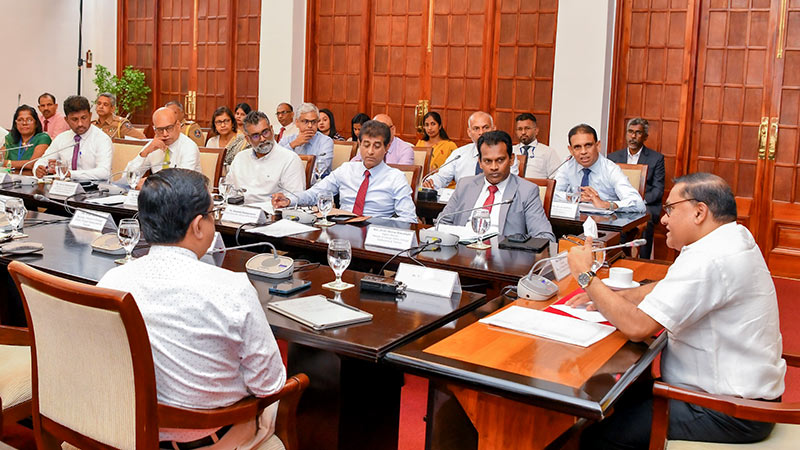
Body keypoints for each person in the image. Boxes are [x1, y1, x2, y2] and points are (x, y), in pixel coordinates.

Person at [566, 173, 785, 448]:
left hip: (728, 410)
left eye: (671, 209)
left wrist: (586, 276)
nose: (664, 219)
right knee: (609, 400)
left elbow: (637, 328)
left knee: (598, 433)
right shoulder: (731, 237)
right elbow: (673, 284)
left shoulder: (710, 257)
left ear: (699, 212)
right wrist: (618, 297)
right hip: (726, 393)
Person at [97, 168, 286, 449]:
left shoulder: (111, 281)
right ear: (198, 225)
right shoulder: (231, 288)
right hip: (209, 437)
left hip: (130, 430)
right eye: (212, 214)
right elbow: (269, 384)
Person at [272, 120, 417, 223]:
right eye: (366, 145)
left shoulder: (396, 177)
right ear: (359, 144)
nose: (370, 152)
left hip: (374, 233)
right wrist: (290, 200)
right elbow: (315, 193)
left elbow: (409, 219)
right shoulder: (347, 169)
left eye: (377, 146)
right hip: (340, 229)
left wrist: (379, 225)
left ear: (387, 147)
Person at [437, 131, 554, 241]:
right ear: (480, 162)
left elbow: (544, 236)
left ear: (511, 159)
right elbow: (442, 223)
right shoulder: (465, 185)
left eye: (500, 160)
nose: (494, 167)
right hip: (462, 253)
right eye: (488, 161)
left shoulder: (527, 191)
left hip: (504, 255)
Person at [553, 123, 645, 213]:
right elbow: (551, 194)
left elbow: (638, 204)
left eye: (588, 145)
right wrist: (573, 197)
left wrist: (607, 205)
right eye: (577, 147)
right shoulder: (568, 166)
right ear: (571, 150)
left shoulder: (611, 169)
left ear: (598, 146)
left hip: (605, 224)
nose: (583, 151)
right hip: (572, 223)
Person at [607, 118, 666, 259]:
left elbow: (657, 190)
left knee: (646, 220)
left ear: (645, 136)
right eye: (630, 132)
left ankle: (643, 261)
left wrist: (636, 202)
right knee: (607, 217)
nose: (633, 137)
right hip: (619, 203)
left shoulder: (656, 158)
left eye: (638, 133)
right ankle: (616, 257)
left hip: (646, 204)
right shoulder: (613, 157)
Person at [423, 111, 519, 189]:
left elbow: (511, 184)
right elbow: (441, 177)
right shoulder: (459, 154)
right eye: (476, 128)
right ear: (469, 132)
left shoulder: (506, 155)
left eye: (486, 127)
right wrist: (431, 183)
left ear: (494, 128)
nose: (481, 132)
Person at [227, 111, 306, 204]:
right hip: (240, 212)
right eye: (256, 136)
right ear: (248, 139)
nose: (263, 139)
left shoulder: (290, 159)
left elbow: (294, 198)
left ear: (272, 130)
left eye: (265, 132)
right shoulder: (240, 158)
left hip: (271, 214)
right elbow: (228, 190)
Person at [33, 95, 112, 181]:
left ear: (90, 115)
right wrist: (38, 169)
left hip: (94, 190)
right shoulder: (61, 138)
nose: (80, 124)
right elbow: (41, 162)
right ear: (66, 120)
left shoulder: (102, 139)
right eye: (74, 119)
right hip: (64, 188)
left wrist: (71, 174)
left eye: (84, 118)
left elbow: (104, 172)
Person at [125, 107, 202, 176]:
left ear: (178, 125)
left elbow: (181, 183)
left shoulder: (189, 147)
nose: (165, 134)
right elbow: (127, 177)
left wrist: (151, 184)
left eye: (169, 128)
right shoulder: (154, 145)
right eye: (160, 130)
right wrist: (145, 153)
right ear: (154, 130)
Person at [278, 102, 334, 178]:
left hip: (315, 186)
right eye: (306, 121)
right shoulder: (287, 139)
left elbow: (319, 171)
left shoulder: (326, 142)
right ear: (297, 122)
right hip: (287, 184)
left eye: (313, 122)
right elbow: (276, 161)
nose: (310, 126)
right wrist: (293, 144)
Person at [512, 113, 563, 178]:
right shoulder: (511, 151)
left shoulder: (548, 152)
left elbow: (557, 177)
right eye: (520, 129)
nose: (523, 132)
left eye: (527, 128)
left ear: (536, 130)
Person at [3, 105, 51, 170]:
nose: (24, 123)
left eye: (29, 120)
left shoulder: (43, 138)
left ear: (36, 123)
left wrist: (7, 163)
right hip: (9, 177)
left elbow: (32, 164)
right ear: (15, 124)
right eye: (20, 120)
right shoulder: (11, 138)